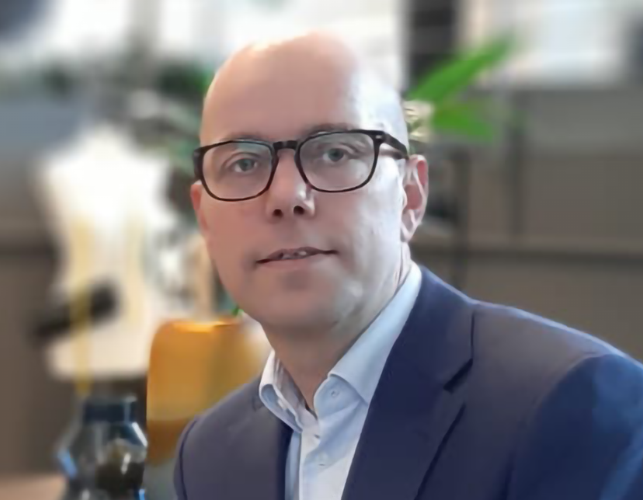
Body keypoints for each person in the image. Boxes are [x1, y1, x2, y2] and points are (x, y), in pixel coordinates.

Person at [173, 32, 643, 500]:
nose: (286, 195)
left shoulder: (568, 406)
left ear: (411, 196)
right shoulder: (207, 456)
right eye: (243, 163)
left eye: (335, 152)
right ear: (205, 219)